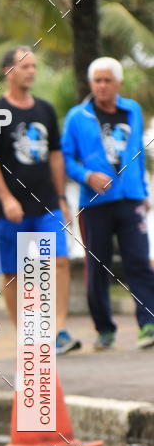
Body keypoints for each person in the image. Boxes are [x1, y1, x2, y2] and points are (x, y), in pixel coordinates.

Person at [0, 46, 80, 354]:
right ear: (8, 71)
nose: (31, 72)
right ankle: (26, 335)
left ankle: (59, 329)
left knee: (59, 262)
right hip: (8, 209)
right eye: (25, 66)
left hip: (47, 203)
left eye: (34, 66)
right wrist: (6, 198)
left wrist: (62, 196)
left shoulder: (46, 110)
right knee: (13, 271)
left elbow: (55, 155)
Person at [62, 57, 154, 350]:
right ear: (91, 84)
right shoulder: (78, 117)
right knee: (97, 266)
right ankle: (105, 330)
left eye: (107, 80)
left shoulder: (133, 111)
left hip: (131, 200)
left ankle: (148, 324)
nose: (102, 86)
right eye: (97, 81)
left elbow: (137, 151)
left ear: (118, 84)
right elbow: (65, 158)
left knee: (138, 261)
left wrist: (143, 191)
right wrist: (87, 176)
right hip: (95, 204)